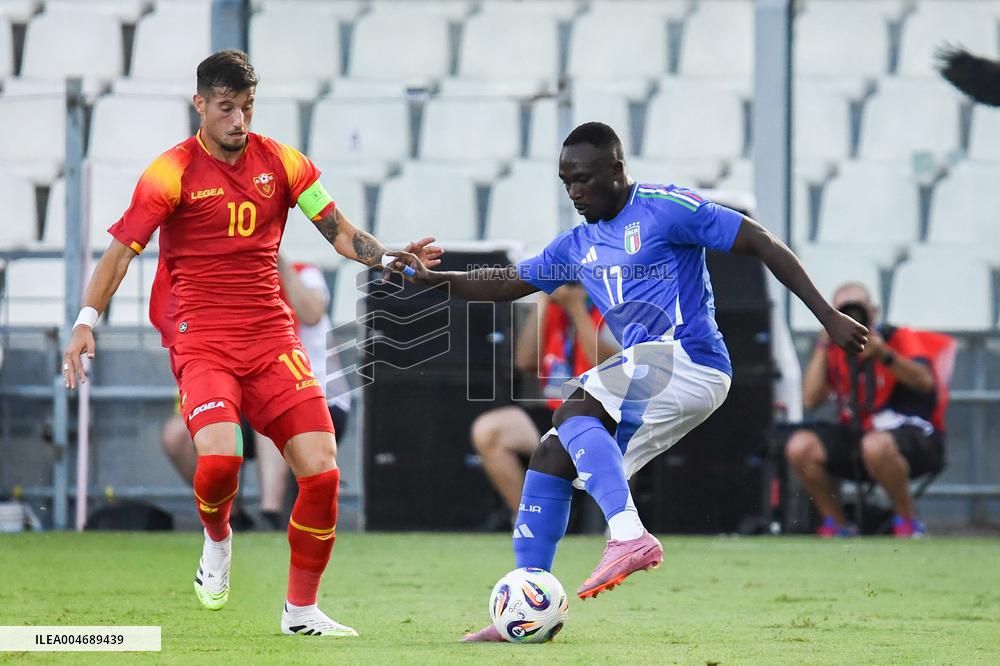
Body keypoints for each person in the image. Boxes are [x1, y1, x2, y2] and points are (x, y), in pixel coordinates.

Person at [386, 121, 867, 642]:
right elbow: (506, 282)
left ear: (617, 169)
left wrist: (828, 317)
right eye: (565, 181)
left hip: (693, 358)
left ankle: (630, 535)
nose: (574, 191)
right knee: (551, 454)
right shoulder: (577, 243)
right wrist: (434, 279)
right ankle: (523, 609)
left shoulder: (666, 207)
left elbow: (763, 242)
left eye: (584, 178)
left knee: (574, 408)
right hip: (656, 368)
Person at [61, 50, 441, 637]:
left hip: (270, 335)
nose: (239, 120)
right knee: (219, 459)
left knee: (322, 470)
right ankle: (217, 538)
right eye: (226, 108)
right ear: (201, 106)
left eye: (246, 108)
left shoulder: (284, 164)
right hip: (203, 337)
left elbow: (337, 231)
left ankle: (301, 612)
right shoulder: (171, 172)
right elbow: (120, 253)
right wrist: (87, 319)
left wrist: (389, 256)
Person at [785, 282, 947, 538]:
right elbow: (810, 399)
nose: (852, 316)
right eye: (842, 311)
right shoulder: (834, 345)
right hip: (857, 431)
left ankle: (907, 522)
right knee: (800, 446)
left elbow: (925, 382)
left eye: (858, 309)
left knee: (875, 446)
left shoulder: (899, 337)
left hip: (910, 434)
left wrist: (883, 354)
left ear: (874, 312)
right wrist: (824, 343)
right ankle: (837, 525)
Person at [472, 283, 617, 523]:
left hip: (602, 416)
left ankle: (618, 529)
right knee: (489, 430)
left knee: (622, 447)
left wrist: (578, 308)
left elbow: (607, 367)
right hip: (559, 413)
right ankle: (531, 523)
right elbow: (525, 361)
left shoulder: (611, 307)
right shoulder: (554, 310)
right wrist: (543, 299)